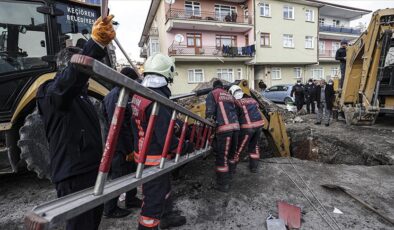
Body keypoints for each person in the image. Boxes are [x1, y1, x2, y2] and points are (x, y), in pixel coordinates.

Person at [36, 15, 116, 230]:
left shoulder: (83, 98)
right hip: (74, 175)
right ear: (64, 70)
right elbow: (69, 81)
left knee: (92, 222)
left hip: (91, 170)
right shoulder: (51, 93)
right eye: (84, 70)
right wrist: (96, 44)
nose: (87, 76)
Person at [131, 53, 193, 230]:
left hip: (144, 153)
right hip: (154, 158)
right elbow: (167, 138)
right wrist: (187, 146)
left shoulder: (140, 95)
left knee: (164, 190)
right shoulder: (158, 100)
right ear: (168, 73)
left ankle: (166, 217)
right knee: (153, 200)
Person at [102, 67, 142, 219]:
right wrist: (127, 149)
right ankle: (110, 208)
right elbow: (118, 125)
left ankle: (131, 199)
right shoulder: (116, 96)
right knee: (118, 176)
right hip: (118, 145)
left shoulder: (122, 93)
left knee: (131, 171)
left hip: (126, 142)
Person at [205, 80, 240, 192]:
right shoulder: (229, 95)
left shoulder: (213, 94)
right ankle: (231, 175)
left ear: (214, 87)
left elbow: (210, 113)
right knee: (231, 153)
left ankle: (223, 184)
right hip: (236, 128)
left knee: (222, 157)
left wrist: (210, 129)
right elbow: (239, 108)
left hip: (224, 129)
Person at [228, 85, 264, 173]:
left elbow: (234, 116)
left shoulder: (237, 102)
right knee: (254, 146)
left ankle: (231, 169)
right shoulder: (252, 100)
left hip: (247, 128)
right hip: (259, 125)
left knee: (239, 149)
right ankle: (254, 167)